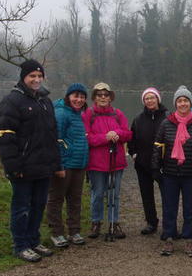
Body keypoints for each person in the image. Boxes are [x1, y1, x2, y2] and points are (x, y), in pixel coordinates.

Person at [0, 59, 62, 262]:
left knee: (38, 205)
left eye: (40, 76)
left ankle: (33, 240)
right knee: (21, 207)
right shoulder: (12, 101)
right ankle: (21, 245)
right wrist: (13, 166)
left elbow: (52, 135)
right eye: (32, 76)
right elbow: (4, 135)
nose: (37, 79)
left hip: (43, 167)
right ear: (23, 77)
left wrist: (56, 163)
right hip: (22, 167)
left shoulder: (45, 101)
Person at [152, 86, 192, 257]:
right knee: (169, 207)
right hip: (170, 173)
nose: (183, 103)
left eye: (186, 100)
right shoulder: (167, 123)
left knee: (191, 209)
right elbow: (158, 146)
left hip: (191, 174)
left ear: (190, 103)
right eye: (180, 101)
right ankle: (169, 237)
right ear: (175, 103)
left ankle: (189, 238)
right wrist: (155, 168)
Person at [82, 82, 132, 240]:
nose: (103, 97)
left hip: (116, 162)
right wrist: (105, 137)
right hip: (96, 163)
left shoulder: (118, 114)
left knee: (114, 194)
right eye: (99, 95)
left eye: (106, 94)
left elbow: (128, 134)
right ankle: (96, 222)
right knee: (97, 194)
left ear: (110, 97)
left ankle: (113, 222)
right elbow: (87, 138)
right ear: (94, 97)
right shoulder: (88, 115)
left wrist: (117, 133)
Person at [46, 83, 90, 248]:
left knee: (75, 199)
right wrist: (59, 165)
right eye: (75, 96)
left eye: (82, 96)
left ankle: (74, 231)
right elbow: (56, 140)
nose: (79, 99)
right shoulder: (61, 113)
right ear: (68, 96)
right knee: (56, 199)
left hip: (79, 164)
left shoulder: (79, 114)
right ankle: (56, 233)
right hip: (65, 164)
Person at [128, 87, 168, 235]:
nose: (150, 100)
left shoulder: (168, 116)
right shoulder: (138, 118)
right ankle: (151, 222)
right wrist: (134, 153)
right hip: (143, 163)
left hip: (163, 164)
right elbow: (132, 139)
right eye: (147, 98)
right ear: (144, 101)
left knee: (167, 195)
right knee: (146, 195)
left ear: (158, 99)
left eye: (152, 97)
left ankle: (168, 224)